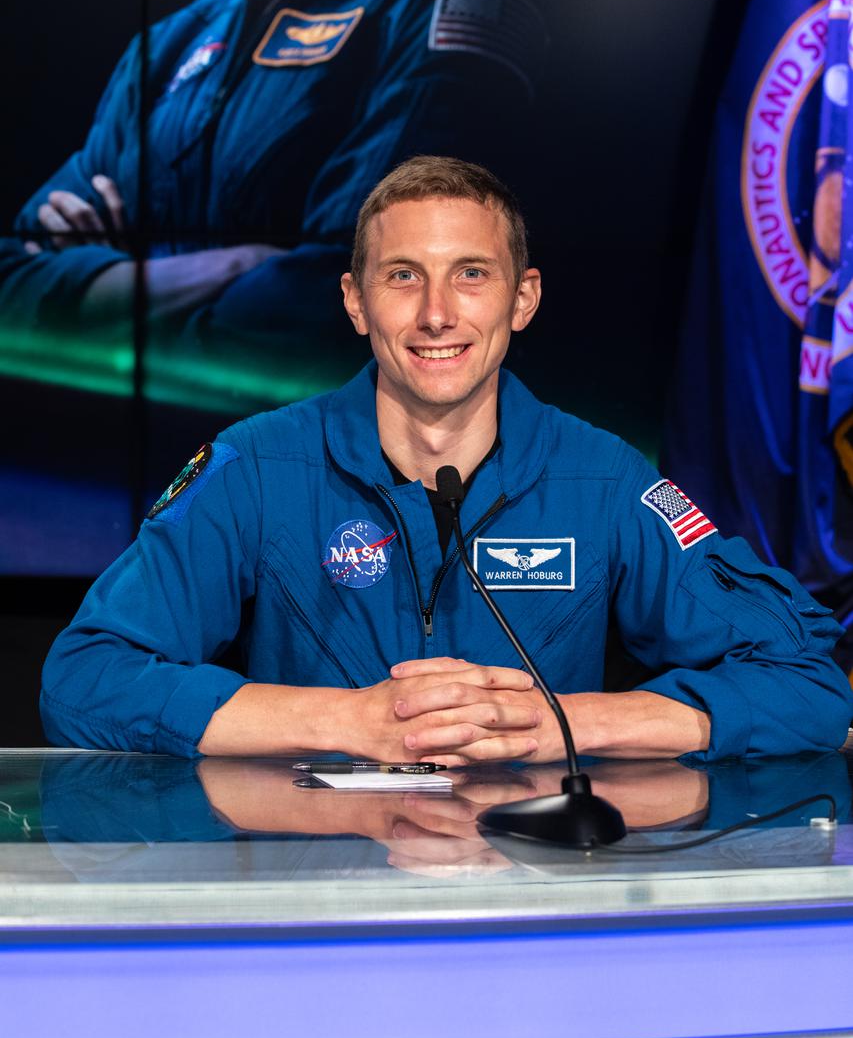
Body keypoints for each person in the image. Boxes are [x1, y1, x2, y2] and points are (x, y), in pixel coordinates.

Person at [41, 157, 853, 762]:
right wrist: (347, 722)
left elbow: (809, 683)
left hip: (530, 892)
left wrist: (570, 723)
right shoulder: (253, 468)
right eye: (403, 276)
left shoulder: (604, 479)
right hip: (310, 893)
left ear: (521, 299)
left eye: (470, 275)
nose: (436, 314)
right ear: (356, 301)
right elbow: (83, 678)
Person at [1, 0, 546, 354]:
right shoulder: (174, 41)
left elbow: (359, 295)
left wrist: (102, 298)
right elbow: (10, 274)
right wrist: (233, 265)